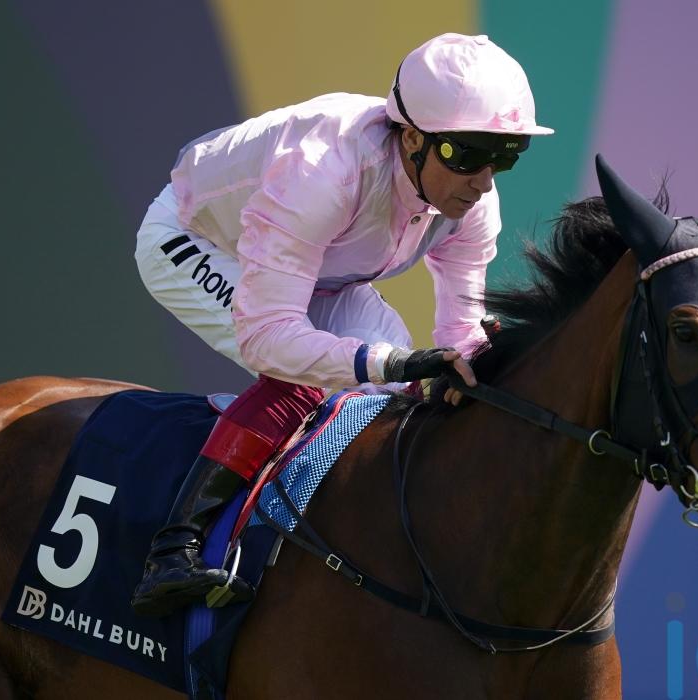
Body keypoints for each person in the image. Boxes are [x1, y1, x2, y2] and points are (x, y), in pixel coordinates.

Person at [130, 32, 552, 616]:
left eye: (504, 155)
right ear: (411, 138)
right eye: (467, 154)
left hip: (313, 273)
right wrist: (389, 362)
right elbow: (268, 337)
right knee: (316, 373)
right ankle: (173, 551)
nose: (483, 180)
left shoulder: (473, 202)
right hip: (195, 240)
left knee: (396, 390)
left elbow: (461, 335)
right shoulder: (323, 170)